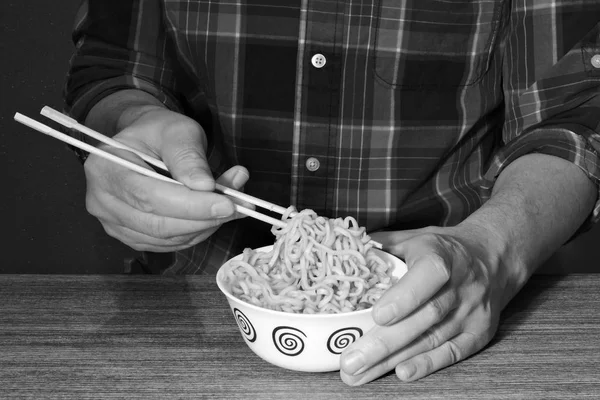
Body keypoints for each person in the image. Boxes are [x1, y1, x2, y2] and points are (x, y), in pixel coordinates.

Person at [63, 0, 600, 385]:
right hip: (183, 321)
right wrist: (129, 126)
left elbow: (579, 112)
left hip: (443, 315)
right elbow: (114, 64)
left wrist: (491, 248)